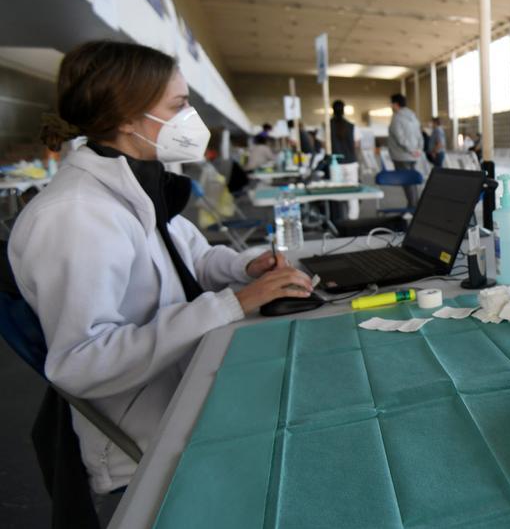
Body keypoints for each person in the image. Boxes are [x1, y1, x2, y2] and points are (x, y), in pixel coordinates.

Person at [9, 40, 313, 493]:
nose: (191, 119)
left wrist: (247, 270)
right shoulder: (75, 215)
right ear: (128, 117)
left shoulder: (133, 181)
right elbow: (80, 362)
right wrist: (234, 304)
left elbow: (193, 260)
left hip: (187, 384)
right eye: (180, 105)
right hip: (146, 436)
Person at [386, 93, 422, 208]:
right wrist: (418, 150)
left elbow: (400, 138)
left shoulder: (396, 118)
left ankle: (412, 208)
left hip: (401, 156)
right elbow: (419, 135)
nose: (391, 106)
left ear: (396, 104)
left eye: (391, 104)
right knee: (413, 182)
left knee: (407, 183)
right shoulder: (413, 117)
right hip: (414, 155)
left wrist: (411, 150)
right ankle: (415, 206)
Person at [328, 100, 357, 165]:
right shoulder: (351, 126)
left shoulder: (327, 126)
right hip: (350, 161)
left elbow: (324, 145)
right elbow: (356, 144)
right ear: (343, 110)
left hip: (334, 162)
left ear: (333, 110)